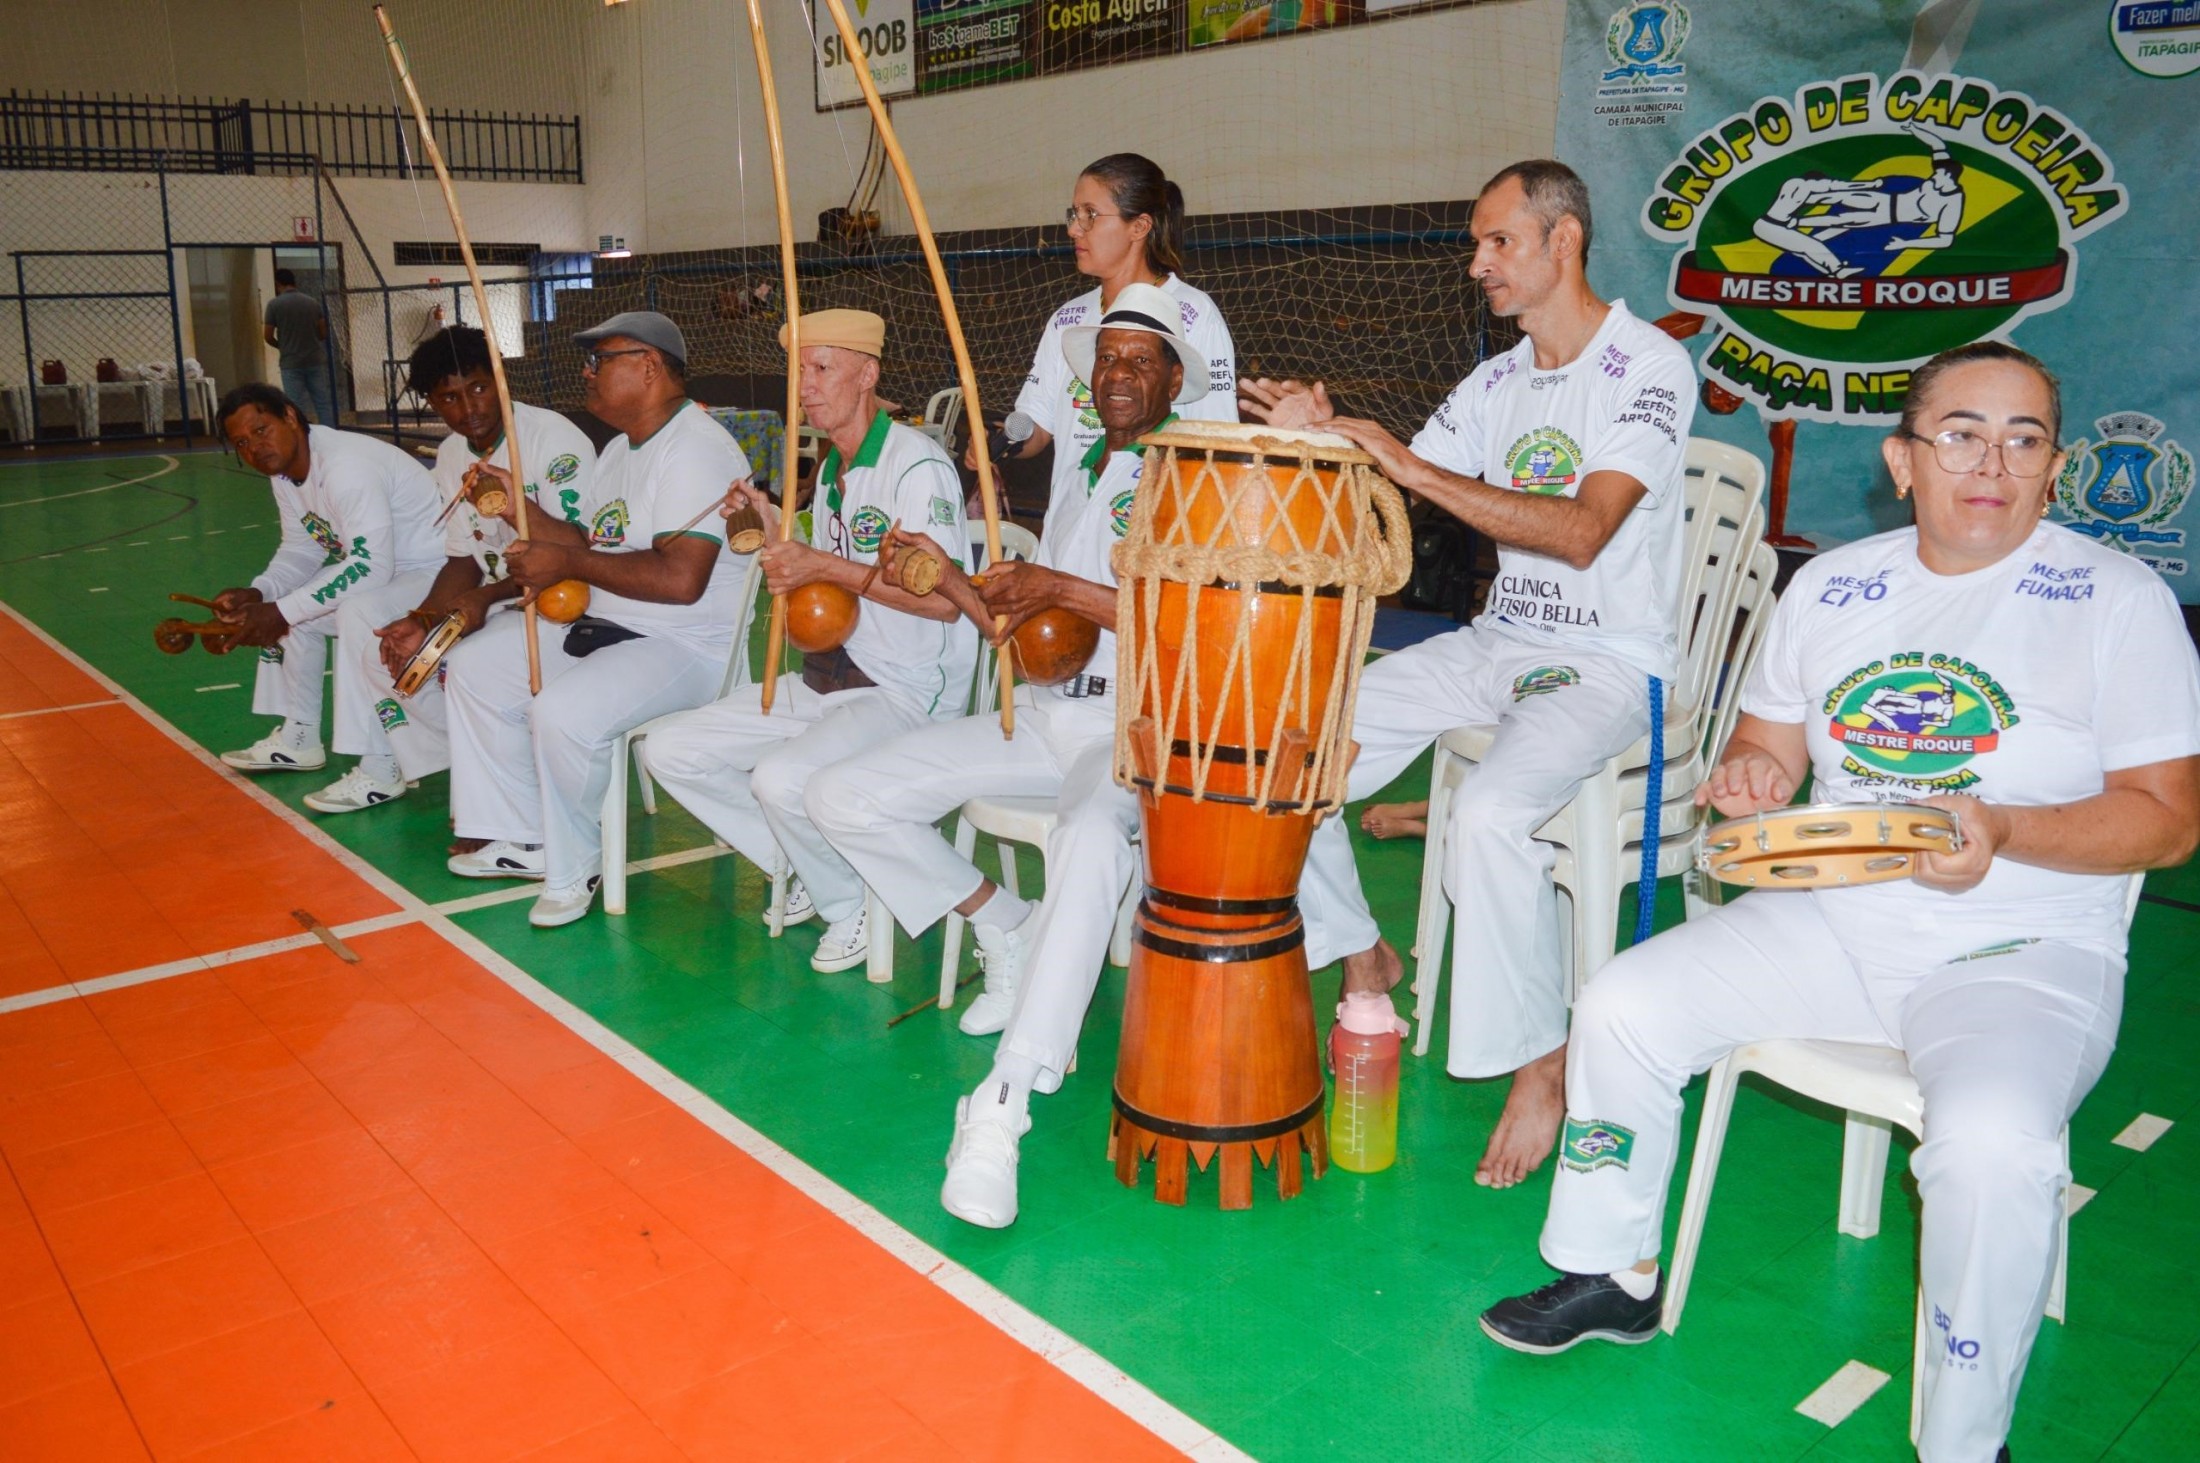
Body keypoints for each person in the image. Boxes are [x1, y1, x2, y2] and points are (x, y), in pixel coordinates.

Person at [1481, 341, 2200, 1463]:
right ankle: (1612, 1270)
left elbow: (2167, 817)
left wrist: (2007, 829)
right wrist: (1752, 776)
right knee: (1622, 1001)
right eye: (1960, 435)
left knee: (1994, 1145)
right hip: (1836, 917)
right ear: (1901, 460)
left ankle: (1963, 1439)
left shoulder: (2118, 599)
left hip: (2022, 948)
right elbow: (1767, 743)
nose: (1992, 464)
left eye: (2023, 441)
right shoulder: (1832, 584)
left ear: (2055, 469)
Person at [1241, 158, 1697, 1190]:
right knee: (1283, 750)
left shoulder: (1646, 366)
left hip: (1605, 662)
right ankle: (1363, 949)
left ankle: (1542, 1062)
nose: (1477, 263)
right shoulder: (1496, 381)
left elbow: (1582, 531)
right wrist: (1325, 438)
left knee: (1490, 812)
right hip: (1495, 645)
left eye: (1498, 241)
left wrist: (1403, 462)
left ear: (1563, 241)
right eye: (1476, 243)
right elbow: (1389, 483)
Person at [809, 287, 1229, 1227]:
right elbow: (1022, 627)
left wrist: (1059, 587)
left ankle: (1003, 1101)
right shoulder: (1083, 467)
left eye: (1140, 362)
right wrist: (945, 574)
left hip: (1131, 726)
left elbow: (1195, 621)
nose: (1117, 375)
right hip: (1042, 712)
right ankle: (1011, 923)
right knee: (843, 794)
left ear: (1174, 381)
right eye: (1106, 359)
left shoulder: (1198, 471)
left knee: (1092, 835)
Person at [639, 310, 976, 972]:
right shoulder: (829, 472)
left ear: (868, 374)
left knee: (781, 778)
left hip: (907, 689)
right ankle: (802, 865)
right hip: (834, 674)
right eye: (799, 371)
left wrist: (822, 565)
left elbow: (944, 602)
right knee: (671, 749)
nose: (806, 387)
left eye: (822, 368)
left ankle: (848, 903)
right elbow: (826, 570)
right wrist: (772, 528)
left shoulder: (916, 466)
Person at [440, 311, 752, 926]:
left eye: (600, 361)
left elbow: (681, 580)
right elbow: (585, 543)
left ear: (649, 366)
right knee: (475, 668)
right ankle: (524, 835)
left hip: (684, 643)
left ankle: (573, 864)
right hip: (610, 627)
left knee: (562, 713)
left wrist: (569, 562)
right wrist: (514, 505)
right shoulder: (618, 450)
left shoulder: (695, 449)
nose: (588, 373)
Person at [310, 327, 597, 815]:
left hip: (565, 603)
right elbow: (464, 559)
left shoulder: (552, 439)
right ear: (431, 403)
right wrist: (423, 618)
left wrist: (485, 594)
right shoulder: (450, 455)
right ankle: (468, 763)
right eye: (449, 398)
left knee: (467, 665)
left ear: (500, 380)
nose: (469, 409)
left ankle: (499, 798)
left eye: (479, 388)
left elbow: (579, 549)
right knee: (387, 653)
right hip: (502, 599)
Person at [972, 154, 1238, 511]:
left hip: (1151, 524)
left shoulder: (1194, 315)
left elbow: (1217, 442)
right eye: (1074, 214)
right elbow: (1038, 426)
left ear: (1139, 227)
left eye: (1090, 215)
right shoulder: (1067, 319)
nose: (1074, 229)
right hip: (1072, 522)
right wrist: (1002, 441)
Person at [210, 384, 445, 781]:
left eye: (261, 430)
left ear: (289, 416)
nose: (255, 448)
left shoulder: (345, 466)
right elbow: (302, 547)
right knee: (294, 602)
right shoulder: (285, 473)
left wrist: (281, 611)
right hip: (392, 572)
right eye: (242, 443)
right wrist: (260, 591)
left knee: (356, 611)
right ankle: (300, 737)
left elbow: (370, 566)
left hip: (438, 572)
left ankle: (383, 766)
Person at [264, 269, 338, 426]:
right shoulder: (312, 302)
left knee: (296, 406)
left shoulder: (274, 305)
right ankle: (330, 433)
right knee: (322, 403)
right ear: (294, 282)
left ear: (277, 284)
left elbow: (268, 336)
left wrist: (282, 346)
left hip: (290, 362)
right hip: (314, 360)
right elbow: (323, 332)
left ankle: (302, 434)